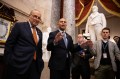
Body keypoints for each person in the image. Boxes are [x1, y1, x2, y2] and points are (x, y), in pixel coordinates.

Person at [4, 9, 44, 79]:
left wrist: (40, 64)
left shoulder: (40, 32)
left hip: (34, 68)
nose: (37, 19)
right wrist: (9, 62)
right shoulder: (19, 26)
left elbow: (39, 49)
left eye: (39, 18)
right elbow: (9, 44)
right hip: (19, 65)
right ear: (29, 16)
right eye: (35, 16)